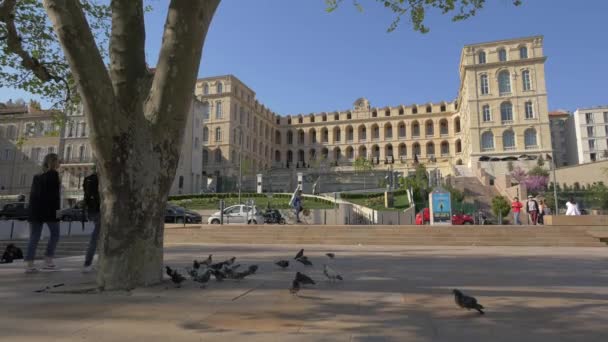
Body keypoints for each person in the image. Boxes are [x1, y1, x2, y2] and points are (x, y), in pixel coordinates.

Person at [24, 153, 61, 273]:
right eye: (57, 161)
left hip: (35, 210)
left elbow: (33, 195)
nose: (59, 163)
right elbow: (55, 196)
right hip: (49, 210)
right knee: (55, 234)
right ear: (53, 162)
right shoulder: (54, 174)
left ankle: (29, 265)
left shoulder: (37, 176)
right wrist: (58, 213)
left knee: (34, 237)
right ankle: (48, 260)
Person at [82, 168, 100, 273]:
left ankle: (90, 263)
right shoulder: (101, 179)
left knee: (97, 236)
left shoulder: (88, 179)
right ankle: (87, 263)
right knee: (95, 236)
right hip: (100, 210)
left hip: (91, 211)